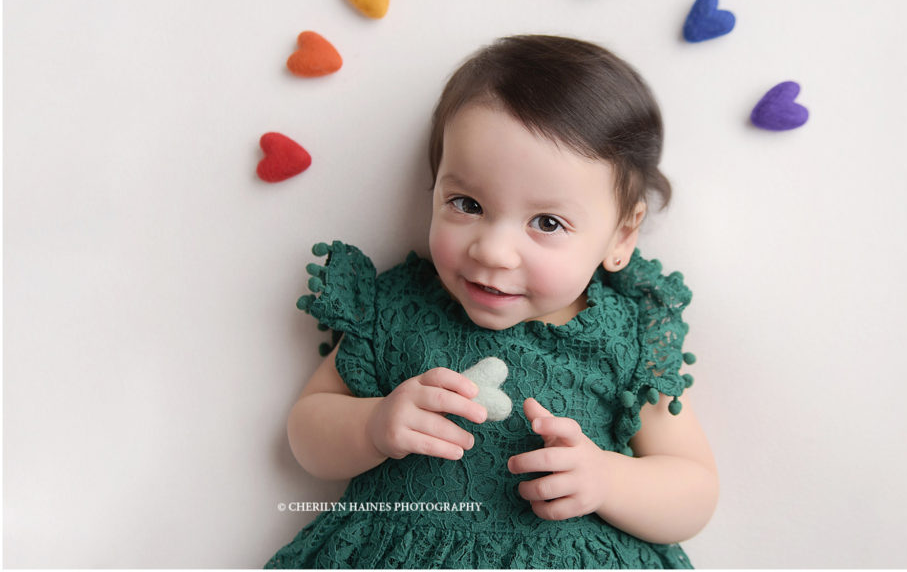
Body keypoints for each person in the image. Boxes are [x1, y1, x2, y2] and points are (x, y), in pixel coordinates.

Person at [266, 35, 718, 569]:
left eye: (547, 222)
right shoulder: (397, 309)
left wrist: (609, 479)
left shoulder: (626, 336)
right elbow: (306, 429)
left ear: (621, 235)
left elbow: (694, 487)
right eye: (468, 203)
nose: (494, 251)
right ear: (434, 189)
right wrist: (372, 425)